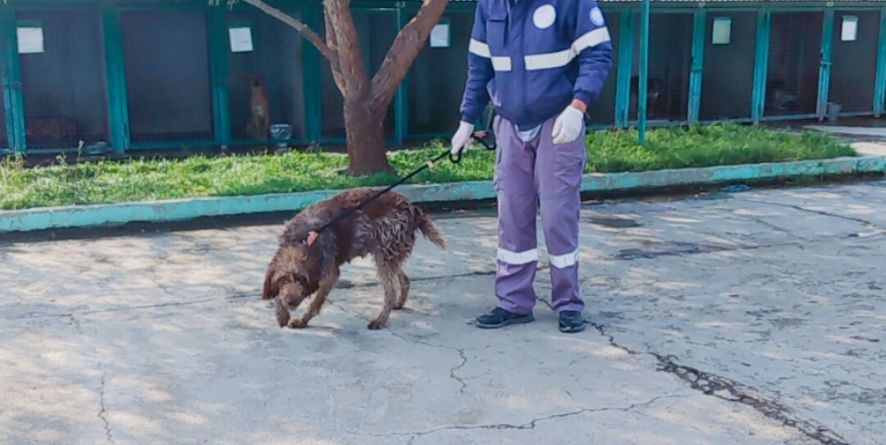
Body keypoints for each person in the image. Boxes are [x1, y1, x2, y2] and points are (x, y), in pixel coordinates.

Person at [450, 0, 612, 333]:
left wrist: (578, 107)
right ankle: (514, 302)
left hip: (558, 120)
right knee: (511, 215)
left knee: (557, 215)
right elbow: (480, 66)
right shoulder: (490, 6)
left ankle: (567, 303)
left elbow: (597, 54)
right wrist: (467, 119)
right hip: (509, 122)